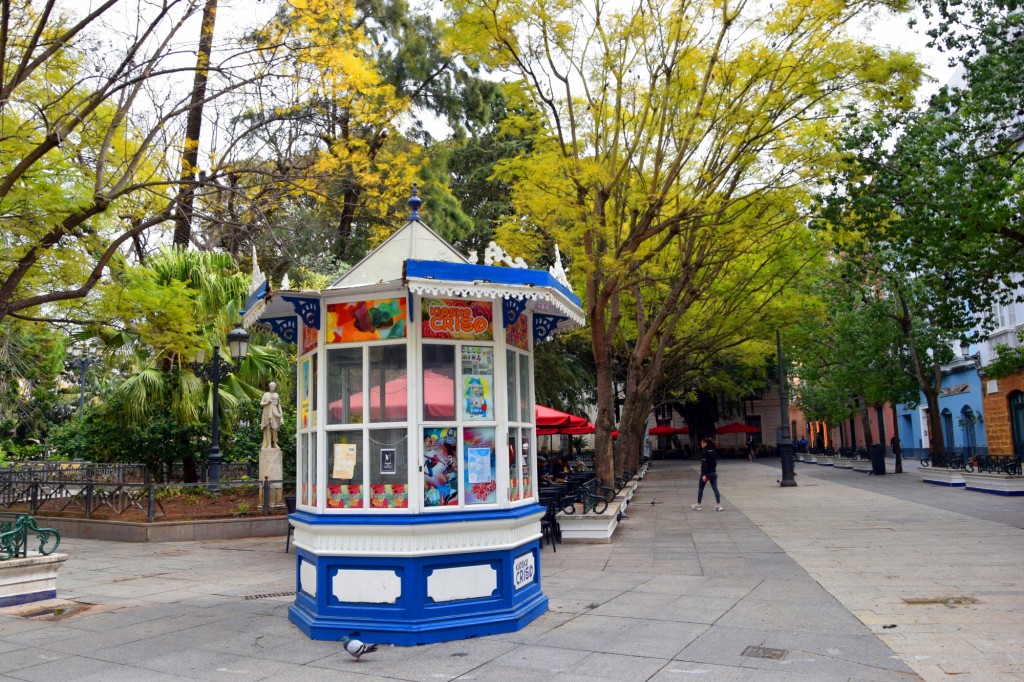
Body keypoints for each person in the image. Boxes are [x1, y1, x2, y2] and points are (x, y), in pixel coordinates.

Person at [692, 437, 723, 511]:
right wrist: (713, 470)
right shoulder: (713, 451)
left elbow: (704, 464)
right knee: (715, 488)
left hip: (706, 474)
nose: (701, 444)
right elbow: (715, 462)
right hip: (713, 472)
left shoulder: (704, 451)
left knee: (701, 488)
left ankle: (698, 505)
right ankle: (718, 505)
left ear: (705, 443)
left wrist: (703, 474)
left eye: (702, 443)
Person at [260, 382, 283, 449]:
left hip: (275, 413)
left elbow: (279, 405)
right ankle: (269, 444)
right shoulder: (266, 394)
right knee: (268, 428)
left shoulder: (276, 394)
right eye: (271, 386)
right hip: (267, 413)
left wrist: (281, 416)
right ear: (269, 387)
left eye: (274, 386)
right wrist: (267, 402)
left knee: (275, 428)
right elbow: (261, 403)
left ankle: (275, 443)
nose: (273, 388)